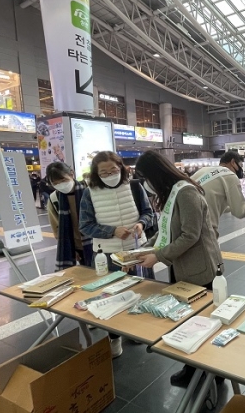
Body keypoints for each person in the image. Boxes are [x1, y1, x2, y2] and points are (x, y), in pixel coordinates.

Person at [134, 150, 221, 386]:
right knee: (191, 318)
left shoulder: (186, 192)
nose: (146, 184)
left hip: (199, 268)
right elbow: (166, 232)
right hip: (184, 266)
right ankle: (198, 369)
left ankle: (208, 372)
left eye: (146, 178)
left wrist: (158, 256)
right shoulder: (173, 193)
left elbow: (189, 235)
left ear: (156, 175)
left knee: (200, 319)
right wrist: (144, 249)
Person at [79, 151, 154, 358]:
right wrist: (112, 231)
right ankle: (114, 337)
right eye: (103, 172)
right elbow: (84, 226)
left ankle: (136, 328)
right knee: (111, 296)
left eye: (113, 169)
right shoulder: (89, 193)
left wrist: (141, 224)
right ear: (95, 173)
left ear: (121, 167)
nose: (110, 174)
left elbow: (149, 214)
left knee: (142, 291)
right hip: (108, 255)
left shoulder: (134, 186)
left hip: (137, 250)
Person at [191, 150, 245, 237]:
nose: (241, 169)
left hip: (187, 226)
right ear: (232, 162)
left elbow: (218, 203)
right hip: (204, 231)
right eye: (240, 165)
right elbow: (240, 211)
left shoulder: (203, 171)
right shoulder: (229, 175)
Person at [46, 162, 93, 269]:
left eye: (63, 180)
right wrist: (70, 250)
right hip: (77, 246)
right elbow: (57, 228)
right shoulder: (54, 199)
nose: (61, 185)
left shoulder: (89, 189)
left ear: (72, 174)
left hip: (98, 241)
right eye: (55, 183)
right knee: (88, 274)